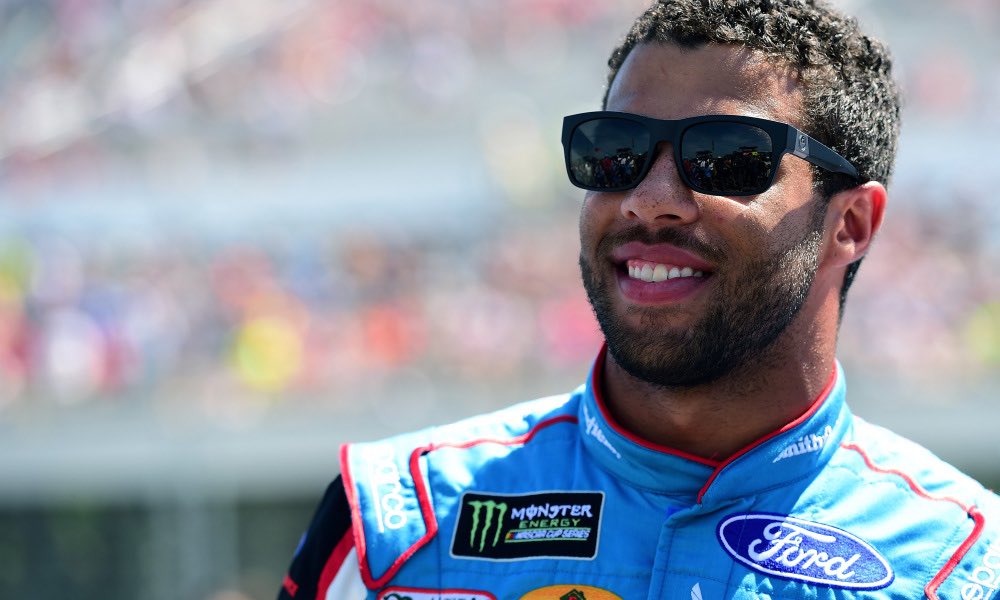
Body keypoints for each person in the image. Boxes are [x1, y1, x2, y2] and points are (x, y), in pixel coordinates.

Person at [278, 1, 1000, 599]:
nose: (649, 200)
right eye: (614, 150)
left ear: (851, 224)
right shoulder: (392, 527)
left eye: (726, 157)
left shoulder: (961, 565)